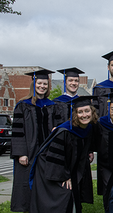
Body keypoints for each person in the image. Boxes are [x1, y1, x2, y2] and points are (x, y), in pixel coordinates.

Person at [29, 96, 98, 213]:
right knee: (64, 196)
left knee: (74, 192)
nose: (84, 115)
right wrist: (64, 176)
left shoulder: (89, 128)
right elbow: (56, 156)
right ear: (75, 114)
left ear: (92, 112)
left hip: (69, 169)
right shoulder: (65, 131)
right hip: (51, 169)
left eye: (87, 111)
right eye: (80, 112)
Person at [10, 69, 61, 212]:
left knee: (45, 185)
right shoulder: (22, 105)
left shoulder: (52, 106)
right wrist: (21, 153)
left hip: (46, 154)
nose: (42, 86)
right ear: (34, 84)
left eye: (45, 84)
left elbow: (57, 129)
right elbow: (17, 132)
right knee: (27, 186)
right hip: (29, 153)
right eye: (39, 83)